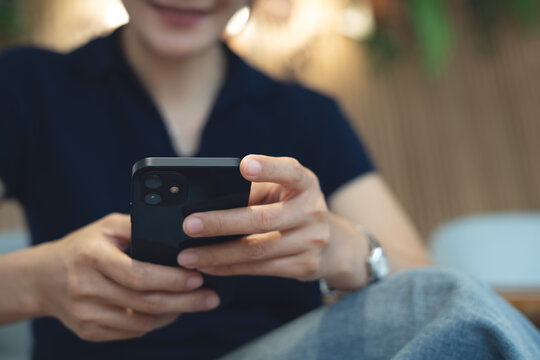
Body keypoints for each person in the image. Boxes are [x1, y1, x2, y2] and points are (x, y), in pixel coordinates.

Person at [0, 1, 539, 359]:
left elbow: (439, 296)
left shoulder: (306, 115)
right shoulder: (27, 87)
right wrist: (36, 281)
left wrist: (346, 249)